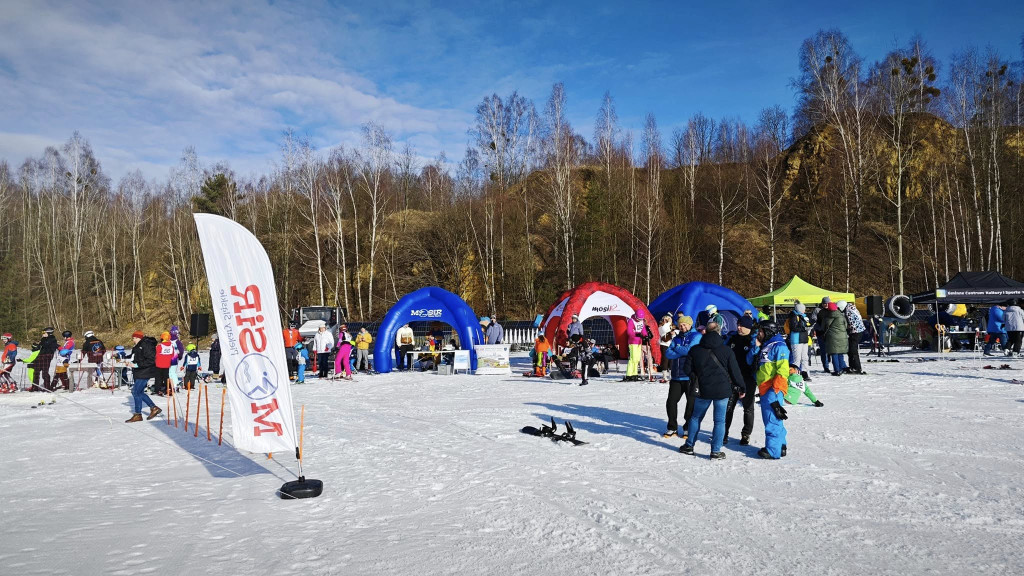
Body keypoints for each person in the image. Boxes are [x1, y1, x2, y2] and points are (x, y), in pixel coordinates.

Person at [678, 323, 745, 459]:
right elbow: (735, 371)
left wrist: (695, 377)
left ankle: (689, 445)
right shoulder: (726, 350)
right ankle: (715, 451)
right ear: (719, 332)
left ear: (705, 332)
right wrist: (741, 386)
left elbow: (687, 369)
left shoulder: (695, 350)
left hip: (702, 389)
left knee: (696, 417)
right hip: (722, 391)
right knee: (720, 421)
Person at [752, 321, 789, 459]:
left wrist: (775, 391)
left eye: (761, 331)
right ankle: (781, 445)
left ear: (768, 331)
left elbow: (783, 371)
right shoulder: (766, 345)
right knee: (775, 418)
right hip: (765, 388)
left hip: (773, 389)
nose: (758, 334)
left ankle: (773, 450)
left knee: (771, 419)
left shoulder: (779, 346)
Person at [661, 315, 701, 438]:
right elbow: (668, 353)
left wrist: (677, 349)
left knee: (691, 404)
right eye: (681, 325)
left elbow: (690, 350)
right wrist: (680, 350)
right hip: (676, 376)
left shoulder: (696, 336)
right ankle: (672, 427)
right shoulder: (677, 338)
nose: (682, 327)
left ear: (690, 325)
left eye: (685, 325)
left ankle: (688, 428)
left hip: (689, 376)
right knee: (671, 402)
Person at [724, 316, 759, 445]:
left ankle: (746, 434)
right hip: (732, 377)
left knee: (748, 407)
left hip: (748, 378)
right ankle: (724, 433)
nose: (738, 327)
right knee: (728, 406)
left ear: (748, 327)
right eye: (738, 324)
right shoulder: (732, 338)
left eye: (741, 325)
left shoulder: (753, 340)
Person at [126, 330, 161, 422]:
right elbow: (136, 357)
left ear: (138, 338)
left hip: (145, 371)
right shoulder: (138, 346)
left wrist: (137, 365)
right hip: (139, 371)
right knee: (139, 392)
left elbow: (151, 360)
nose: (133, 340)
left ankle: (138, 414)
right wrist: (126, 359)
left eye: (134, 338)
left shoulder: (146, 345)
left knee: (135, 392)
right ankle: (154, 408)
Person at [837, 300, 865, 374]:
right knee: (850, 350)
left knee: (853, 350)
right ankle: (853, 366)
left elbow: (851, 323)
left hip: (856, 332)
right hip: (859, 330)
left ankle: (857, 367)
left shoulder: (849, 311)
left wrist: (846, 329)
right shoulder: (851, 307)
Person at [786, 303, 812, 382]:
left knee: (805, 357)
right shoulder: (793, 316)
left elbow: (807, 324)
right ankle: (794, 374)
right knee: (797, 358)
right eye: (803, 309)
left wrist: (809, 327)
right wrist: (804, 328)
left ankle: (805, 373)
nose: (804, 310)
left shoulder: (804, 316)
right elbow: (793, 327)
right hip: (796, 340)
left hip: (804, 339)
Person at [822, 302, 849, 376]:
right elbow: (846, 325)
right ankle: (841, 368)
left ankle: (837, 370)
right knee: (840, 353)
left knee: (834, 353)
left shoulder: (828, 316)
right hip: (842, 336)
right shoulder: (841, 315)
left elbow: (824, 326)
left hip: (832, 337)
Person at [623, 310, 650, 382]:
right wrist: (637, 334)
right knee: (633, 358)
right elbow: (629, 332)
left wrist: (646, 336)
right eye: (638, 319)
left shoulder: (642, 321)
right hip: (633, 342)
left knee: (637, 359)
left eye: (641, 319)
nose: (639, 320)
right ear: (635, 316)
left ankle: (634, 374)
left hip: (639, 342)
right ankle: (629, 374)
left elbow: (643, 329)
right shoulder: (631, 321)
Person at [813, 298, 832, 373]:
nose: (826, 305)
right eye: (824, 303)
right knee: (823, 350)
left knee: (831, 349)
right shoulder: (817, 310)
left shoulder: (831, 309)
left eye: (827, 303)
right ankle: (826, 366)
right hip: (820, 332)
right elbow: (813, 318)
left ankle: (832, 362)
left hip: (829, 333)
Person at [658, 315, 677, 384]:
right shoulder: (661, 326)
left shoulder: (672, 326)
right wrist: (668, 323)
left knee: (672, 360)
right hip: (664, 344)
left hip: (671, 344)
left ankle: (671, 375)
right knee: (665, 359)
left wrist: (674, 334)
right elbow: (664, 330)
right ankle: (664, 375)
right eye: (666, 319)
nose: (668, 320)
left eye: (669, 319)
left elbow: (676, 334)